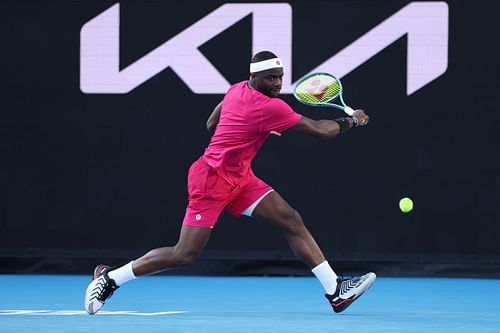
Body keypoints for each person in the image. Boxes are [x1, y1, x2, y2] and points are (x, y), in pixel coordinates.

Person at [84, 51, 375, 315]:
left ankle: (335, 290)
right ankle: (111, 277)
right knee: (184, 254)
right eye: (270, 78)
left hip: (241, 178)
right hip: (211, 180)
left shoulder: (237, 88)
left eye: (280, 77)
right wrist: (353, 121)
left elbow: (211, 123)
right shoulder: (270, 108)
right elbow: (320, 131)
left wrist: (249, 129)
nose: (277, 83)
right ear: (254, 77)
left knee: (290, 219)